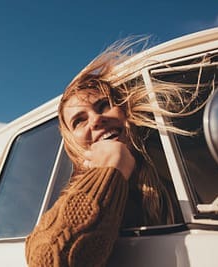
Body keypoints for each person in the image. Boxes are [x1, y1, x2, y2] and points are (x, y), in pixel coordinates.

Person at [25, 38, 203, 267]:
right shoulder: (70, 196)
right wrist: (110, 170)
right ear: (72, 144)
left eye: (104, 106)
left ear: (124, 112)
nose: (97, 120)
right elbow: (49, 261)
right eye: (79, 121)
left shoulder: (171, 182)